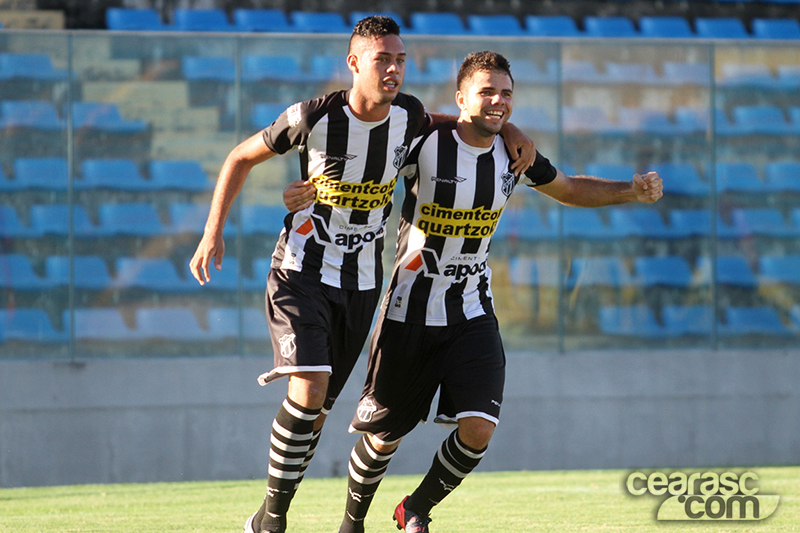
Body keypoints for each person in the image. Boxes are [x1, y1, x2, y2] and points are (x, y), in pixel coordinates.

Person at [189, 17, 534, 533]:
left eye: (400, 60)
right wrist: (212, 230)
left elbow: (462, 123)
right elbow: (241, 156)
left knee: (318, 412)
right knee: (309, 391)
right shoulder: (312, 116)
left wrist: (506, 126)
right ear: (354, 63)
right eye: (382, 59)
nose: (393, 69)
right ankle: (273, 519)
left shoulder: (410, 116)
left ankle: (274, 516)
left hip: (361, 284)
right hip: (302, 269)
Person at [320, 51, 662, 533]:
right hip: (408, 310)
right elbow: (367, 145)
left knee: (478, 428)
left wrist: (630, 190)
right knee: (383, 437)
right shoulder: (424, 141)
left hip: (471, 309)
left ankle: (415, 507)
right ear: (461, 98)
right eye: (487, 92)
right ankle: (351, 524)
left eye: (506, 94)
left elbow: (567, 188)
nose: (498, 101)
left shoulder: (514, 155)